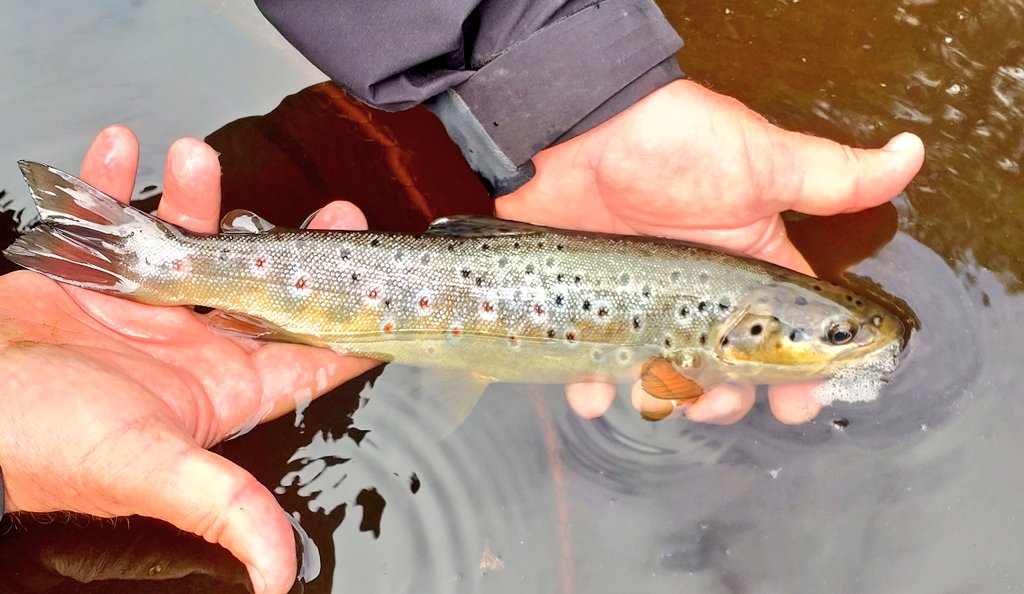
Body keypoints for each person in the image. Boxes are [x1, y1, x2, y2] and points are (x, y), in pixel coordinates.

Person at [0, 2, 924, 593]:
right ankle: (153, 260)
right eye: (835, 334)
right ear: (746, 335)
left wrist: (574, 91)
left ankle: (149, 257)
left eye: (834, 333)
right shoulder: (697, 348)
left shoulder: (705, 326)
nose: (846, 340)